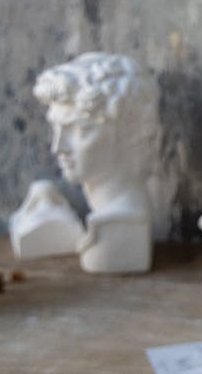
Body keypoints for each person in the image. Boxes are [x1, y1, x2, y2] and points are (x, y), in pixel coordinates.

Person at [33, 52, 159, 273]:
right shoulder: (101, 213)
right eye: (56, 128)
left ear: (129, 132)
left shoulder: (121, 225)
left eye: (80, 130)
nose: (58, 147)